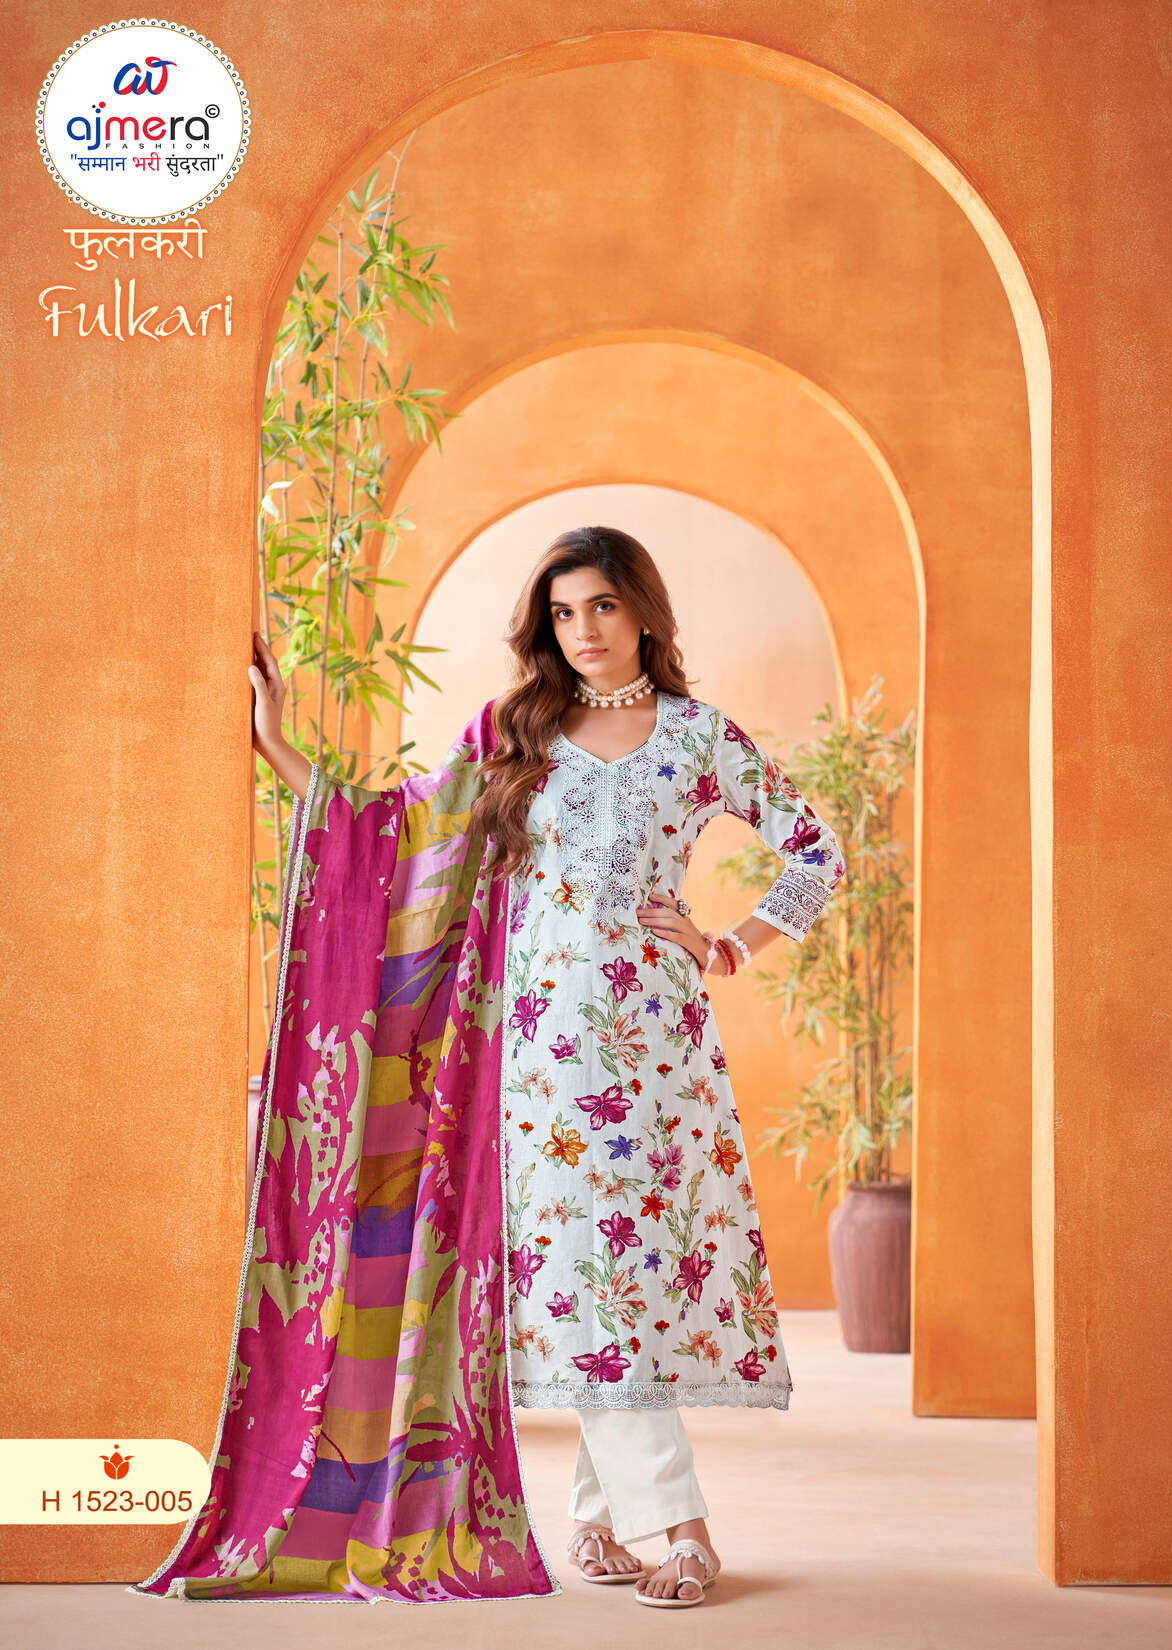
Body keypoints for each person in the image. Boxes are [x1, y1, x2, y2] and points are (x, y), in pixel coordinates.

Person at [244, 524, 845, 1609]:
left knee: (622, 1273)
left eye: (602, 606)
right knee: (586, 1271)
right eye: (564, 613)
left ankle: (598, 1522)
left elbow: (817, 851)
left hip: (657, 1049)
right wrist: (279, 746)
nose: (583, 631)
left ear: (644, 610)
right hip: (534, 1053)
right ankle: (678, 1527)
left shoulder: (701, 738)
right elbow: (396, 835)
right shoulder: (515, 730)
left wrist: (727, 946)